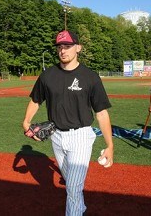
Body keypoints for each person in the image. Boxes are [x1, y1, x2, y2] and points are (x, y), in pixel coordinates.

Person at [22, 30, 114, 216]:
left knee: (72, 187)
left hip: (81, 136)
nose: (63, 51)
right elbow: (36, 100)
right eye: (60, 47)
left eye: (68, 46)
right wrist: (26, 123)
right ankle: (80, 207)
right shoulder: (48, 76)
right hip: (56, 135)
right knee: (70, 181)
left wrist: (110, 145)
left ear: (78, 48)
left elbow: (102, 113)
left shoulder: (90, 77)